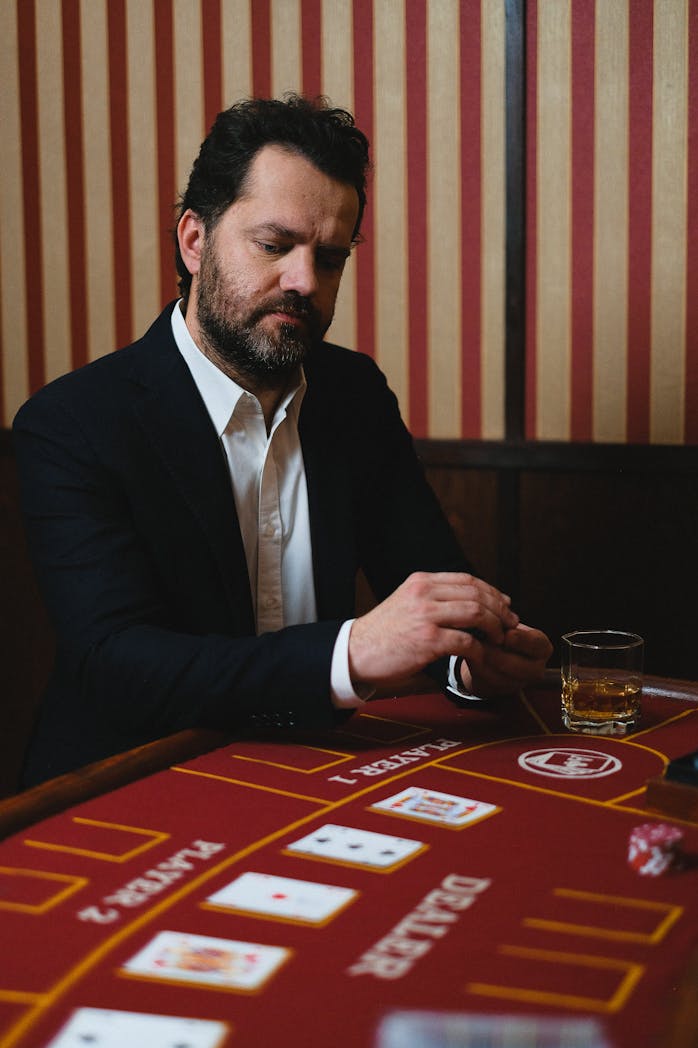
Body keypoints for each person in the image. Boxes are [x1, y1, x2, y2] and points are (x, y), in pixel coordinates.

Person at [13, 95, 552, 787]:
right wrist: (349, 653)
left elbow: (432, 589)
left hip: (311, 769)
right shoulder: (72, 421)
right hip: (127, 779)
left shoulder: (354, 392)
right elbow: (118, 664)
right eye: (274, 246)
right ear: (194, 241)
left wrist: (473, 663)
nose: (304, 281)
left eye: (330, 258)